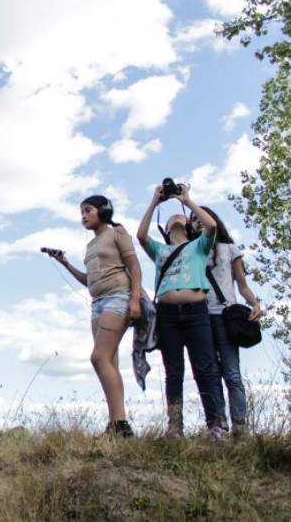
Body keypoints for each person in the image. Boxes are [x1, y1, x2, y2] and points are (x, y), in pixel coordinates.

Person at [137, 184, 229, 442]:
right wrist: (155, 201)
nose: (175, 219)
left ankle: (215, 426)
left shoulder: (199, 246)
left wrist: (186, 200)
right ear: (164, 230)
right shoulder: (160, 250)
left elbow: (211, 226)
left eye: (180, 217)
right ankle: (174, 428)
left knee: (206, 369)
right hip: (167, 315)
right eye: (170, 219)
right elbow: (141, 236)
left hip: (196, 313)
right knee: (174, 371)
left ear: (188, 226)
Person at [45, 195, 142, 437]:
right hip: (97, 303)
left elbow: (135, 266)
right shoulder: (89, 247)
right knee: (109, 362)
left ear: (104, 211)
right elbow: (88, 280)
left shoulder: (118, 233)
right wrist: (64, 263)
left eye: (88, 210)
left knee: (98, 358)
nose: (84, 216)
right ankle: (116, 423)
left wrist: (135, 299)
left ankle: (120, 425)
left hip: (118, 297)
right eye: (82, 212)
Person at [191, 206, 262, 436]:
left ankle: (240, 428)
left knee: (232, 373)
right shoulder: (192, 251)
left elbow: (241, 285)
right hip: (201, 317)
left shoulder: (230, 249)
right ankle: (218, 426)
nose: (198, 222)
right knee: (210, 374)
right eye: (193, 220)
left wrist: (255, 303)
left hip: (225, 314)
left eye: (201, 218)